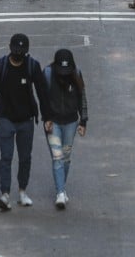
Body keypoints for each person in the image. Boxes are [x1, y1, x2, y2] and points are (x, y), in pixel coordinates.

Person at [0, 33, 52, 211]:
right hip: (5, 119)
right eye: (15, 50)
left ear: (26, 51)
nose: (18, 54)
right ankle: (5, 194)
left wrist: (47, 117)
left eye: (21, 51)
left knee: (25, 157)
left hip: (26, 120)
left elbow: (42, 93)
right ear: (10, 48)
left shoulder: (32, 66)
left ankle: (22, 191)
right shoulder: (0, 66)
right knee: (6, 156)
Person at [44, 49, 88, 210]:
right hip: (53, 122)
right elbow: (43, 98)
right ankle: (60, 193)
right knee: (57, 157)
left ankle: (62, 187)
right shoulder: (47, 74)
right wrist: (46, 118)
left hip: (71, 122)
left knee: (66, 157)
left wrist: (83, 122)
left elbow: (82, 97)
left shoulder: (77, 74)